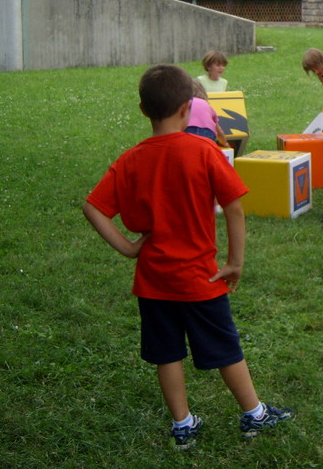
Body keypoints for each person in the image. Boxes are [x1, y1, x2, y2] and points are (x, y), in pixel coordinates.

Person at [82, 64, 292, 449]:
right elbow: (234, 208)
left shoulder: (130, 159)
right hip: (201, 281)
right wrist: (235, 263)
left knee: (167, 355)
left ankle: (183, 424)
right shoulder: (204, 150)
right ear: (187, 108)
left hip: (153, 282)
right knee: (225, 349)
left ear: (143, 110)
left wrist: (129, 247)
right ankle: (254, 414)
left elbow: (92, 206)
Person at [185, 80, 229, 147]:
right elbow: (218, 130)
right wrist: (224, 143)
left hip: (189, 130)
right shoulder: (207, 106)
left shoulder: (185, 103)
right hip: (208, 132)